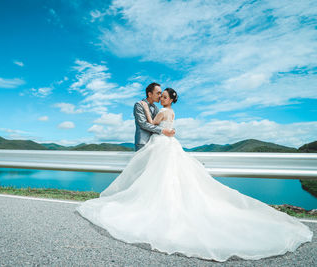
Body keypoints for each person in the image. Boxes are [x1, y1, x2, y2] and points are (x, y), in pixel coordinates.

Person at [76, 88, 313, 262]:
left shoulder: (160, 110)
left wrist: (162, 127)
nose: (160, 97)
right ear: (151, 93)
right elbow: (147, 124)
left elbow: (153, 123)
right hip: (163, 142)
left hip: (162, 144)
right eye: (158, 94)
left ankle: (150, 205)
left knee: (161, 177)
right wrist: (166, 130)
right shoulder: (154, 108)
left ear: (167, 98)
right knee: (169, 177)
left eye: (163, 95)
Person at [133, 82, 175, 151]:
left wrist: (171, 130)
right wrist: (163, 130)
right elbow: (143, 124)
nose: (160, 96)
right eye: (158, 93)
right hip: (143, 142)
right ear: (150, 94)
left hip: (155, 143)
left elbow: (160, 123)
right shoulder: (139, 105)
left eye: (160, 93)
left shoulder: (156, 108)